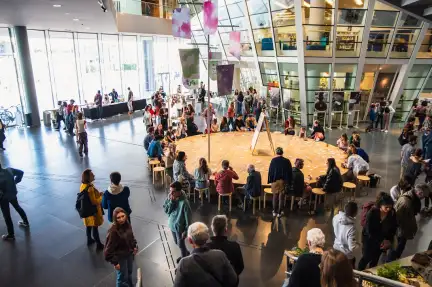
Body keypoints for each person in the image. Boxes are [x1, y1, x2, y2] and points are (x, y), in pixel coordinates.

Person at [173, 222, 238, 287]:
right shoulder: (220, 254)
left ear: (190, 240)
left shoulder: (184, 263)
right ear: (207, 237)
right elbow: (233, 280)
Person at [358, 192, 397, 271]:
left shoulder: (392, 213)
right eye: (386, 207)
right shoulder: (372, 213)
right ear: (380, 206)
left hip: (382, 242)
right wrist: (382, 241)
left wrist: (388, 240)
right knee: (366, 258)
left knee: (375, 259)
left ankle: (371, 274)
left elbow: (394, 227)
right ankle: (360, 272)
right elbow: (369, 231)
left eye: (390, 207)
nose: (388, 209)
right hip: (369, 241)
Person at [389, 184, 427, 261]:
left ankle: (394, 257)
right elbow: (399, 217)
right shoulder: (406, 202)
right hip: (401, 230)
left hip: (403, 229)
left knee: (399, 246)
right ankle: (391, 260)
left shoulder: (411, 198)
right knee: (397, 247)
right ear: (419, 193)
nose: (423, 198)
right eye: (423, 196)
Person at [104, 207, 138, 287]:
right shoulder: (113, 231)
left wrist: (134, 246)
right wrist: (115, 262)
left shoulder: (127, 224)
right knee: (122, 277)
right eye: (118, 217)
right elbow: (107, 252)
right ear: (115, 219)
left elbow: (131, 236)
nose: (122, 219)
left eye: (123, 216)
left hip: (129, 254)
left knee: (129, 272)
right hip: (120, 257)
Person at [164, 181, 192, 262]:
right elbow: (166, 211)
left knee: (181, 245)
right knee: (177, 242)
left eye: (173, 191)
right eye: (170, 191)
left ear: (179, 191)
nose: (171, 193)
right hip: (172, 224)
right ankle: (186, 253)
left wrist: (186, 231)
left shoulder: (185, 203)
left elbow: (188, 218)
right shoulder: (170, 197)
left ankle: (183, 262)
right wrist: (171, 202)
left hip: (180, 228)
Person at [0, 164, 29, 240]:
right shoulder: (10, 170)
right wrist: (15, 182)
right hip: (12, 194)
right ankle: (25, 222)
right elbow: (21, 172)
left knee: (7, 215)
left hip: (3, 199)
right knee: (17, 207)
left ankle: (11, 234)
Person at [80, 169, 104, 249]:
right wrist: (101, 197)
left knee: (88, 226)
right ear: (88, 177)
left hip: (86, 210)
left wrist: (98, 194)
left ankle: (89, 239)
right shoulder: (90, 188)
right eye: (92, 174)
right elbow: (94, 202)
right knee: (95, 227)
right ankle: (99, 244)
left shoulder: (83, 185)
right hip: (93, 211)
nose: (94, 175)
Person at [332, 201, 359, 267]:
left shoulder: (336, 217)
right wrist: (358, 245)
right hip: (346, 254)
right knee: (348, 272)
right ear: (355, 213)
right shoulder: (352, 228)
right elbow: (352, 247)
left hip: (336, 248)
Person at [268, 147, 292, 217]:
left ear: (276, 153)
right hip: (283, 181)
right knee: (281, 198)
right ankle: (279, 212)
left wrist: (270, 180)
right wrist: (289, 182)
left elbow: (271, 171)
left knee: (275, 197)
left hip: (275, 181)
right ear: (282, 153)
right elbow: (290, 172)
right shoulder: (287, 161)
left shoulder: (273, 160)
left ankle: (274, 212)